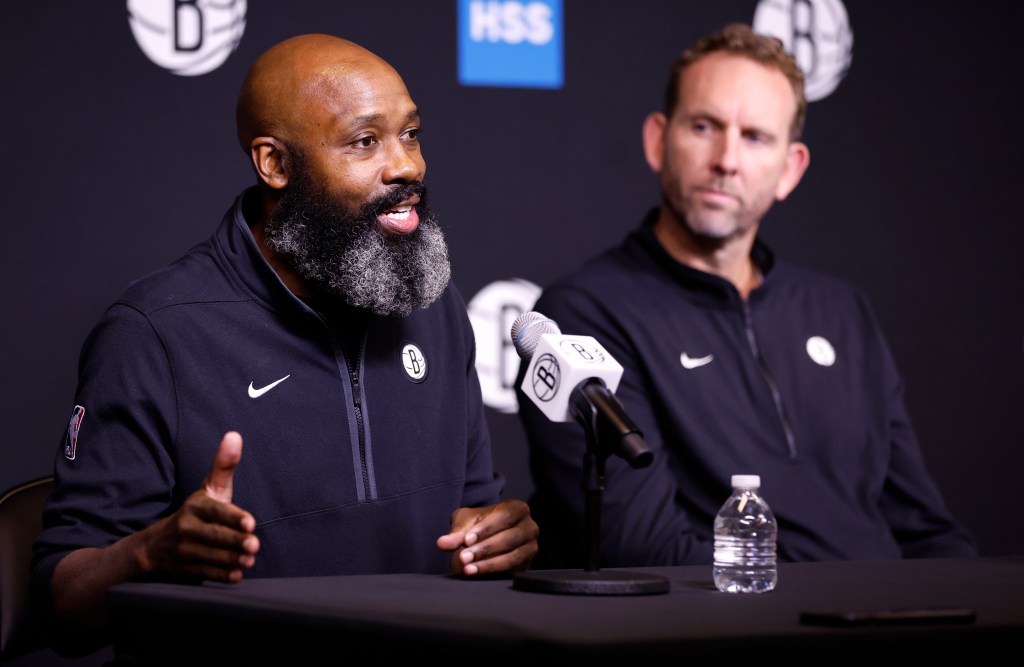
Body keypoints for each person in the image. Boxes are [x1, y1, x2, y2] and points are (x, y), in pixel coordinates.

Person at [32, 33, 538, 657]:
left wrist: (498, 537)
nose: (408, 165)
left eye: (410, 133)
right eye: (364, 141)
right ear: (275, 164)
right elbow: (62, 599)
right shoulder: (155, 331)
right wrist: (149, 551)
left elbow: (476, 514)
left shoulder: (434, 308)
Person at [516, 23, 976, 570]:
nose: (727, 159)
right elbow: (643, 552)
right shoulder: (584, 315)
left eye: (755, 137)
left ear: (790, 169)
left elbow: (923, 528)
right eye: (705, 126)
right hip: (738, 632)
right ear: (657, 141)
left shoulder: (841, 311)